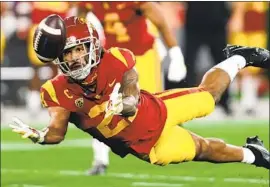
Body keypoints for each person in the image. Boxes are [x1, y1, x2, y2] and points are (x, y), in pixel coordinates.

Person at [10, 16, 270, 171]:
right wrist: (40, 135)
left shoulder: (115, 59)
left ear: (92, 46)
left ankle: (239, 58)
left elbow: (132, 90)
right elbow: (57, 131)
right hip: (148, 147)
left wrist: (125, 103)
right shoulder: (56, 90)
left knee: (208, 96)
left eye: (80, 49)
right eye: (68, 53)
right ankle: (253, 154)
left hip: (158, 109)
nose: (75, 58)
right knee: (203, 150)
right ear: (59, 57)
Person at [75, 2, 187, 175]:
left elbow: (161, 23)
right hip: (114, 57)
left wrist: (175, 52)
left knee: (153, 108)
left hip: (142, 56)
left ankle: (179, 136)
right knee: (99, 107)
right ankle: (100, 160)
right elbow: (78, 24)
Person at [183, 2, 233, 115]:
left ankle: (225, 101)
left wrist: (233, 17)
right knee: (189, 64)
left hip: (218, 23)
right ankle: (187, 101)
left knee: (223, 64)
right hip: (194, 23)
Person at [228, 2, 269, 115]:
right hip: (242, 30)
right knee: (240, 66)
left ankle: (249, 102)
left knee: (255, 68)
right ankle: (235, 100)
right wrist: (237, 15)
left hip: (258, 29)